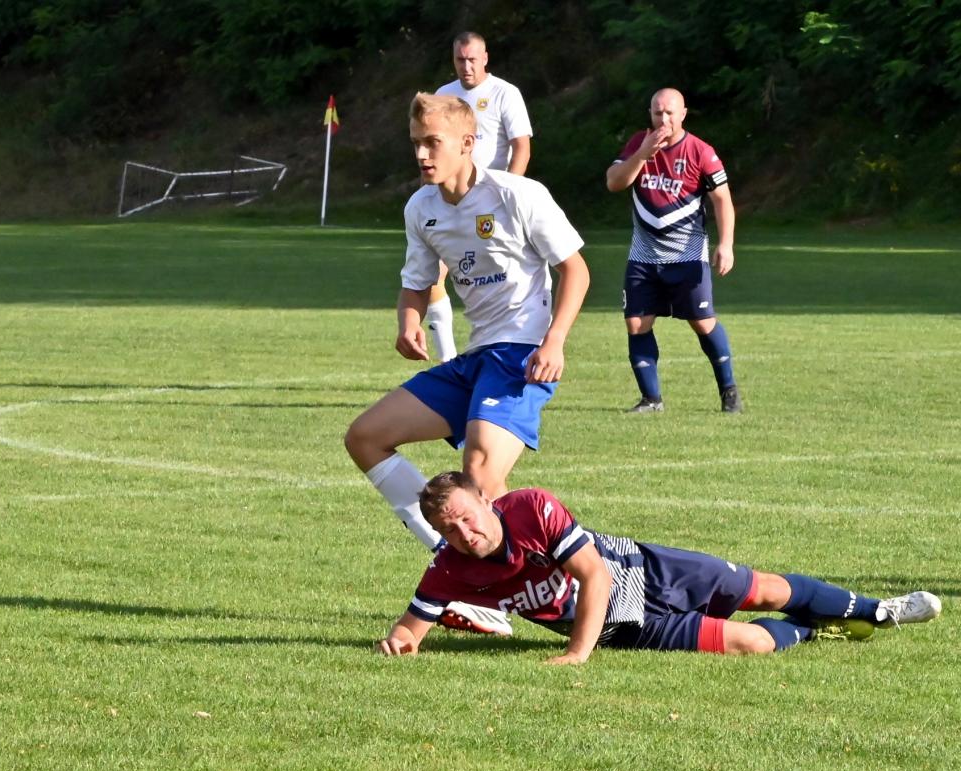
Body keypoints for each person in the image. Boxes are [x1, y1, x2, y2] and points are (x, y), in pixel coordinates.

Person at [345, 93, 589, 636]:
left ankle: (498, 594)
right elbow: (417, 282)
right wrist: (408, 321)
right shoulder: (421, 207)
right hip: (476, 357)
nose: (422, 155)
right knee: (365, 437)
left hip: (521, 353)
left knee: (480, 472)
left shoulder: (517, 194)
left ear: (467, 143)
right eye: (416, 143)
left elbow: (575, 269)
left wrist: (555, 342)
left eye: (433, 143)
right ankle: (453, 560)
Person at [376, 471, 943, 662]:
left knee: (765, 590)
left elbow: (595, 576)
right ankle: (817, 631)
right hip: (626, 627)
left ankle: (880, 610)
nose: (465, 533)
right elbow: (411, 627)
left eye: (468, 517)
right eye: (450, 528)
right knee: (752, 643)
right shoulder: (450, 568)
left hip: (644, 571)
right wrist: (400, 643)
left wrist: (576, 653)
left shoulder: (530, 507)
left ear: (485, 500)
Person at [606, 87, 741, 414]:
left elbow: (722, 200)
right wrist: (642, 155)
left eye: (669, 113)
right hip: (644, 256)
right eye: (657, 113)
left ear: (683, 114)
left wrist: (726, 244)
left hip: (687, 255)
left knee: (702, 322)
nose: (663, 119)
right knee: (636, 323)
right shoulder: (639, 143)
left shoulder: (700, 151)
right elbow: (614, 182)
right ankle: (651, 399)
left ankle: (729, 392)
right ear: (650, 114)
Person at [425, 31, 535, 363]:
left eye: (472, 59)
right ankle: (448, 361)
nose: (467, 66)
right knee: (432, 274)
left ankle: (511, 350)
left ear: (485, 58)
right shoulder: (443, 96)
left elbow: (521, 146)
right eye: (460, 60)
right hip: (450, 202)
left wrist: (509, 191)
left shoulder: (504, 93)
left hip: (491, 202)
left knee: (500, 276)